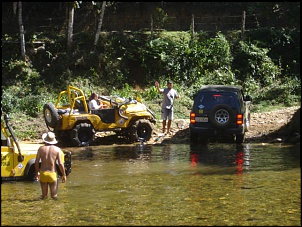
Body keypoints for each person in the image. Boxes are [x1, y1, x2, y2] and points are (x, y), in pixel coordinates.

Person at [35, 132, 66, 199]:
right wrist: (64, 174)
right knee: (54, 196)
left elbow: (36, 162)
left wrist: (37, 172)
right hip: (52, 173)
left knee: (44, 196)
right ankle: (54, 208)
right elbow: (60, 163)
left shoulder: (41, 149)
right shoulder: (57, 149)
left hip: (43, 173)